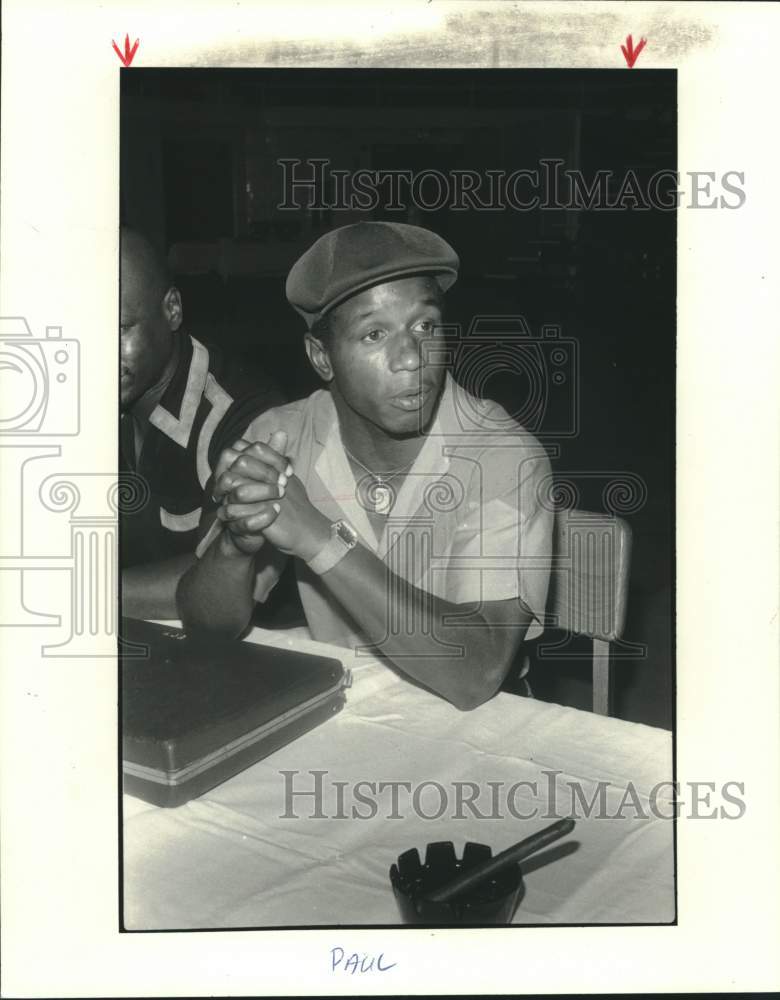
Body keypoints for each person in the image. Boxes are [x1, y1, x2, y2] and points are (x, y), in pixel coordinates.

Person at [178, 222, 552, 710]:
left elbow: (476, 670)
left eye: (425, 325)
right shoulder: (281, 438)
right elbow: (207, 625)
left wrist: (317, 536)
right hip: (340, 708)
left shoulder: (503, 456)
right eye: (374, 333)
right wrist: (234, 547)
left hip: (474, 730)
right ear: (322, 357)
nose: (412, 358)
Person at [120, 227, 284, 619]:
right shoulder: (85, 398)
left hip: (263, 654)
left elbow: (222, 584)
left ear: (172, 309)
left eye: (120, 328)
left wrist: (70, 591)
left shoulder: (247, 414)